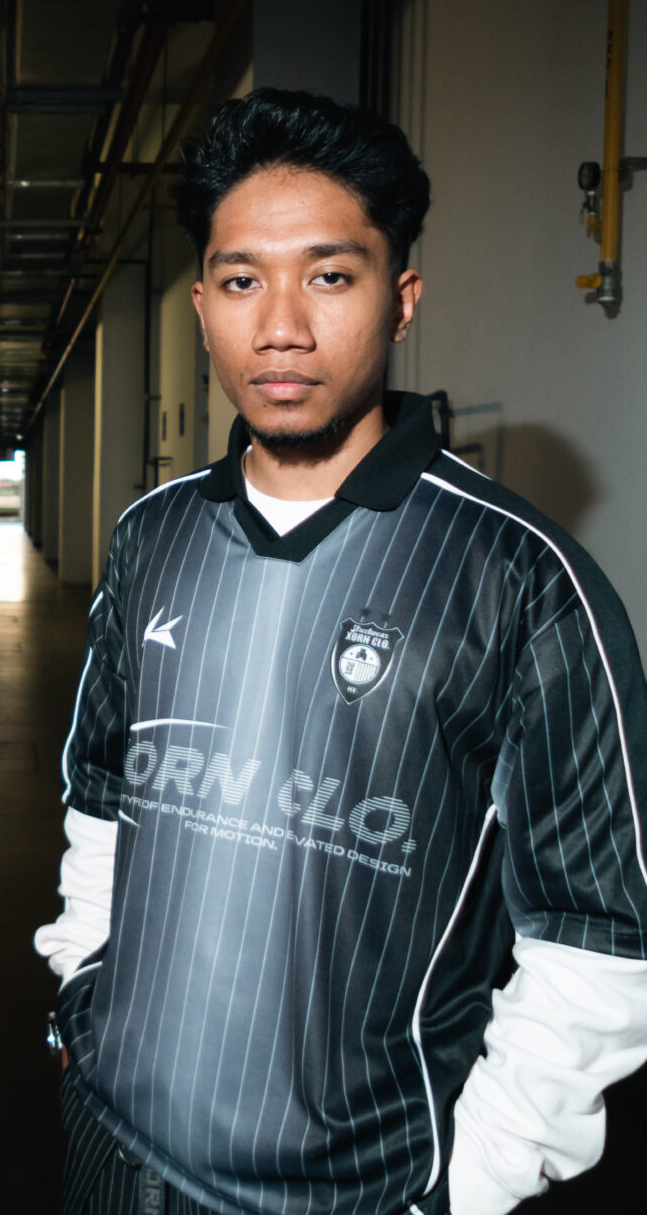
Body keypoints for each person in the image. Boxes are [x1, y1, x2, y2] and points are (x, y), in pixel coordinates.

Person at [35, 88, 647, 1215]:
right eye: (240, 281)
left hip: (349, 1190)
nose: (280, 326)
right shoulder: (154, 535)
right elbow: (102, 793)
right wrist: (83, 987)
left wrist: (470, 1181)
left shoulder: (520, 578)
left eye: (328, 276)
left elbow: (597, 933)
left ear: (400, 299)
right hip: (110, 1149)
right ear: (202, 305)